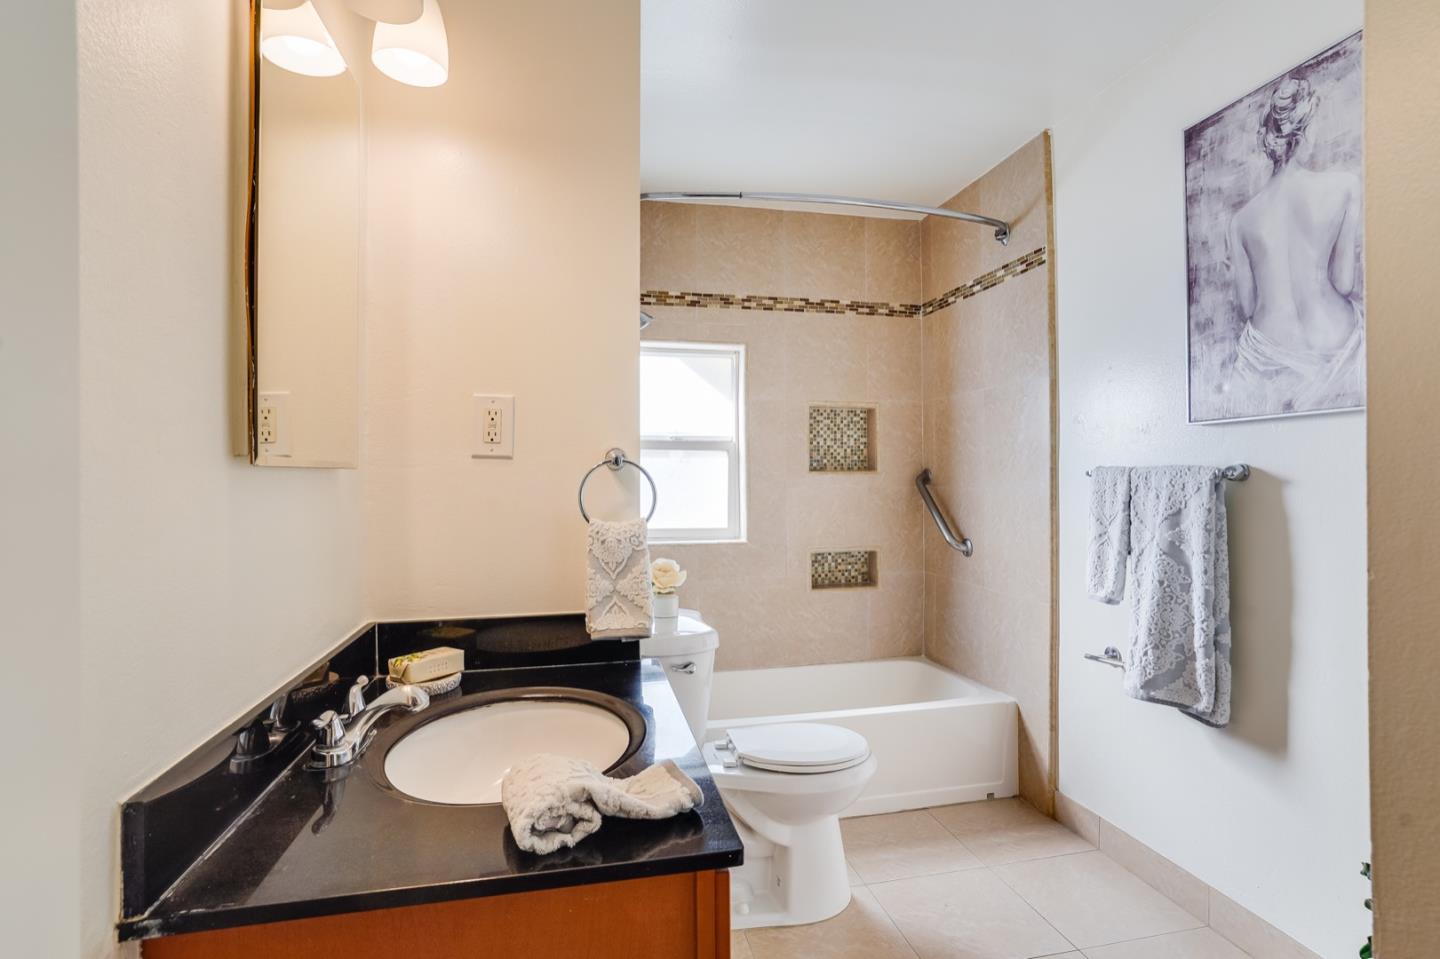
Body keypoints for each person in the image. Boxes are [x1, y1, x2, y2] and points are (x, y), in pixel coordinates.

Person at [1225, 75, 1363, 416]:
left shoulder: (1240, 221)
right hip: (1336, 346)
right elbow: (1344, 284)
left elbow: (1247, 307)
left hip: (1265, 360)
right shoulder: (1345, 186)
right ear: (1304, 133)